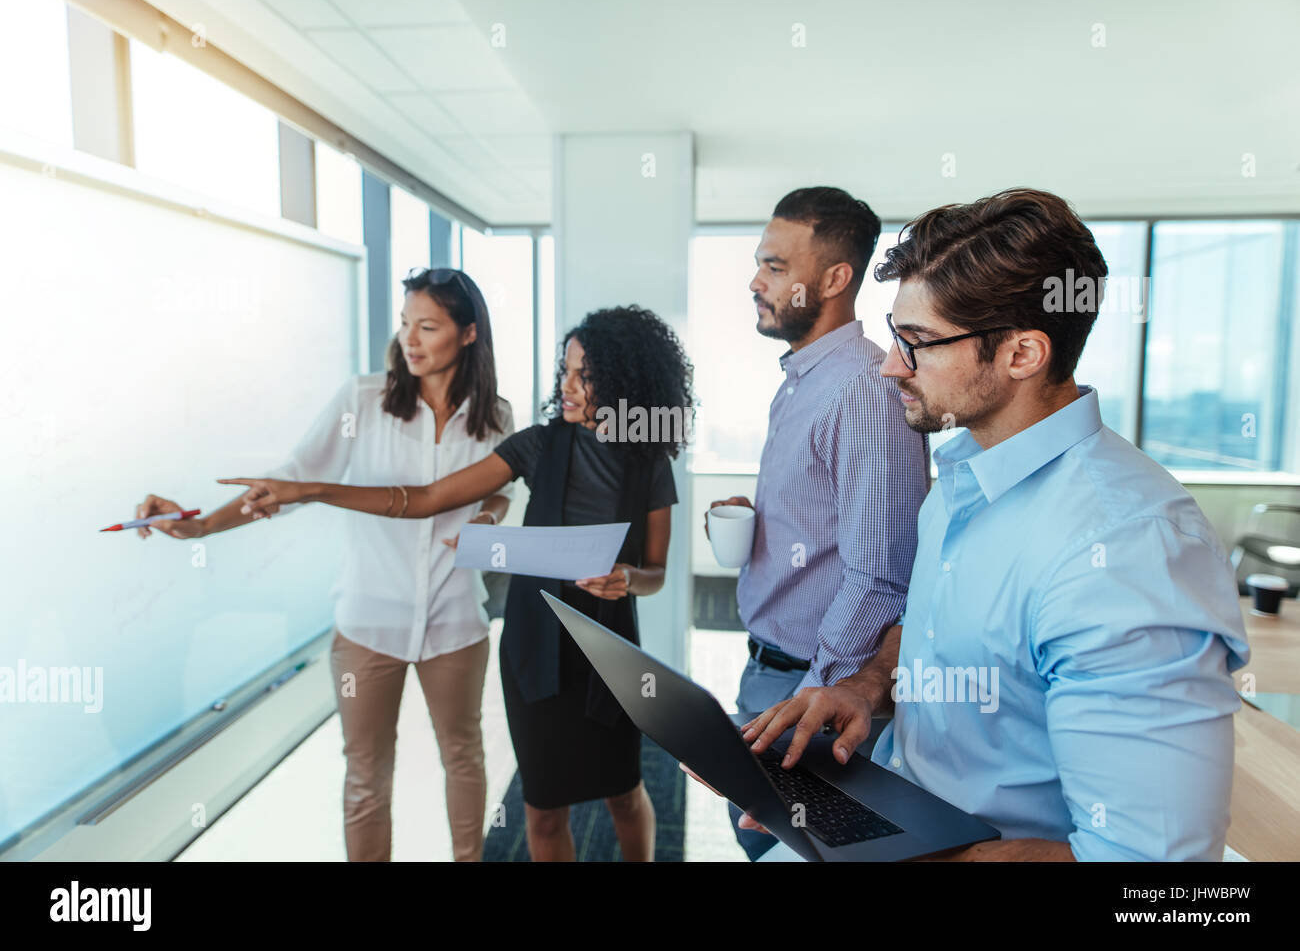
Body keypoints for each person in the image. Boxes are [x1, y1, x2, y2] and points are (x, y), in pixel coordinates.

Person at [731, 188, 1251, 860]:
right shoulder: (964, 477)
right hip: (892, 807)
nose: (891, 365)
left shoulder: (1127, 552)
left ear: (1022, 354)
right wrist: (865, 687)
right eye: (894, 336)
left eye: (916, 343)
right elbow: (941, 637)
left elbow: (1151, 872)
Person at [221, 305, 695, 862]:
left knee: (623, 792)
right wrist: (311, 490)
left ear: (623, 381)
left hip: (610, 651)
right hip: (534, 646)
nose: (566, 385)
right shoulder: (537, 445)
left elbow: (657, 573)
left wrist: (628, 579)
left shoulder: (647, 462)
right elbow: (423, 500)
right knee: (541, 812)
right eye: (564, 371)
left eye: (584, 375)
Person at [138, 267, 514, 861]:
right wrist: (203, 525)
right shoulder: (362, 401)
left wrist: (489, 517)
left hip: (455, 620)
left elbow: (499, 489)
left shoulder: (495, 415)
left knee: (463, 757)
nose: (411, 340)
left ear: (468, 335)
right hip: (367, 623)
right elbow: (292, 480)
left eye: (429, 327)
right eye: (405, 325)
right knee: (367, 775)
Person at [704, 186, 929, 859]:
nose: (755, 280)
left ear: (834, 279)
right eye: (758, 263)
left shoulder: (862, 388)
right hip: (774, 674)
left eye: (774, 265)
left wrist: (806, 704)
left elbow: (881, 577)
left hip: (814, 689)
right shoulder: (803, 379)